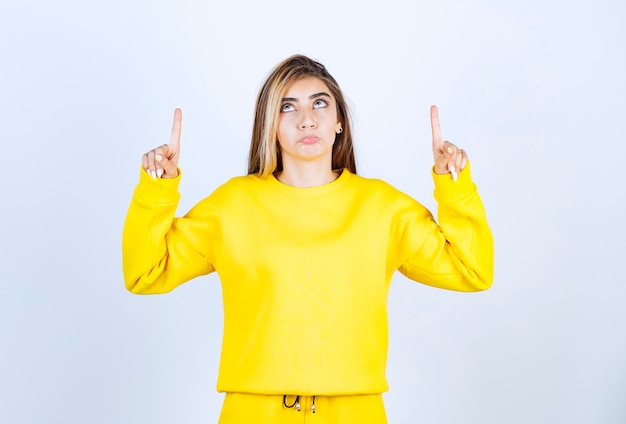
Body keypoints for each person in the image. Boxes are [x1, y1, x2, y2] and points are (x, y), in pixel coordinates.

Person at [122, 54, 494, 423]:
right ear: (271, 125)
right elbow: (145, 273)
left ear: (338, 122)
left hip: (355, 410)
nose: (306, 120)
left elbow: (472, 270)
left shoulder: (382, 206)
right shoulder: (232, 205)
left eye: (320, 103)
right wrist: (158, 188)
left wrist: (454, 185)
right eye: (287, 107)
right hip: (253, 410)